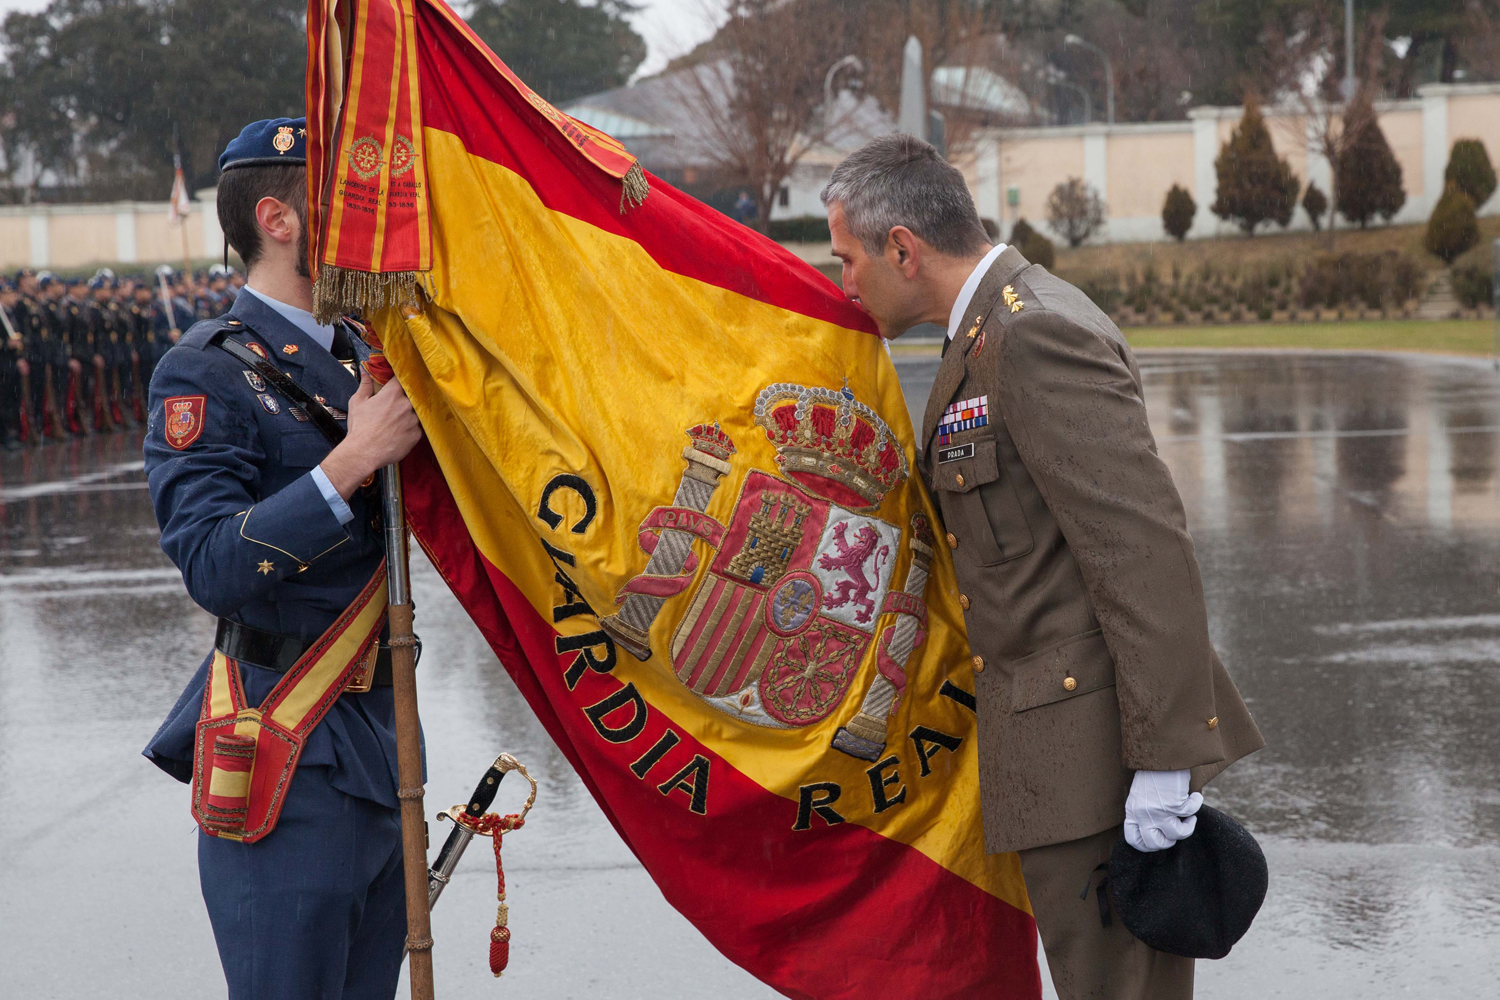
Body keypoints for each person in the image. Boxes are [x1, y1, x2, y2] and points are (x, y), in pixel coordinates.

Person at [821, 134, 1264, 999]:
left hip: (1101, 769)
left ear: (902, 249)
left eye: (847, 260)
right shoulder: (982, 335)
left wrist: (1167, 765)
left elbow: (1143, 552)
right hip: (1056, 760)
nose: (842, 282)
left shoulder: (1032, 334)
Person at [142, 116, 424, 999]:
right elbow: (213, 563)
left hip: (379, 743)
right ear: (279, 218)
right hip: (285, 747)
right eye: (339, 201)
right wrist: (350, 462)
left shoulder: (363, 360)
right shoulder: (208, 372)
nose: (364, 222)